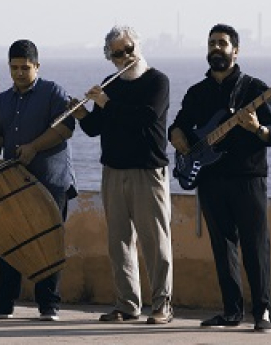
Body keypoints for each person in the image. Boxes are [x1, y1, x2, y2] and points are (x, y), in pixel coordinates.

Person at [169, 23, 271, 333]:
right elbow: (178, 126)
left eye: (222, 43)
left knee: (256, 246)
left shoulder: (255, 89)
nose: (216, 48)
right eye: (212, 44)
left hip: (248, 178)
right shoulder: (197, 92)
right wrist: (177, 136)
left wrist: (256, 128)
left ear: (236, 50)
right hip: (210, 178)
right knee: (223, 247)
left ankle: (263, 312)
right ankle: (231, 312)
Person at [70, 25, 174, 324]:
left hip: (147, 170)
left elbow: (145, 118)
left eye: (129, 49)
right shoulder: (110, 84)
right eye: (118, 53)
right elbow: (96, 128)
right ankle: (127, 304)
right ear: (111, 58)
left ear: (137, 45)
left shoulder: (157, 81)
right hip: (114, 170)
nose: (126, 56)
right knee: (119, 241)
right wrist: (81, 114)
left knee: (155, 240)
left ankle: (162, 304)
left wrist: (106, 103)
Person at [0, 39, 77, 322]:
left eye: (25, 67)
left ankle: (49, 307)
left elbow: (66, 128)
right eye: (14, 67)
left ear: (37, 66)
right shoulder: (1, 100)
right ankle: (2, 305)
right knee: (8, 240)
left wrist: (33, 146)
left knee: (48, 243)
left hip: (51, 181)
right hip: (12, 186)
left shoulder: (53, 92)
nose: (19, 73)